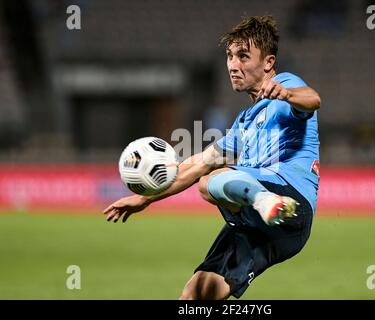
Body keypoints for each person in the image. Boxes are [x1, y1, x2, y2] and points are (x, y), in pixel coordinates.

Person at [103, 15, 321, 300]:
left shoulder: (284, 85)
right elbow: (197, 163)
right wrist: (145, 198)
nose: (233, 65)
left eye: (244, 56)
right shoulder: (243, 124)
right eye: (230, 56)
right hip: (264, 228)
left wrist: (287, 94)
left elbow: (313, 99)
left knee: (210, 182)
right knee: (196, 294)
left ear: (268, 62)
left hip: (291, 202)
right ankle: (260, 201)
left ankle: (263, 199)